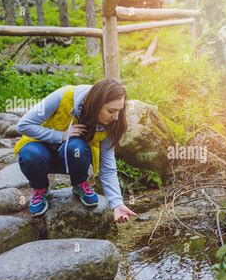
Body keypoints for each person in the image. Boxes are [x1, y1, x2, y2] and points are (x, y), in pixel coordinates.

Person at [14, 78, 137, 223]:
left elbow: (107, 166)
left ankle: (79, 184)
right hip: (41, 153)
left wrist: (117, 203)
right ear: (96, 104)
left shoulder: (111, 124)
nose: (116, 117)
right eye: (111, 111)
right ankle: (40, 189)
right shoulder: (63, 96)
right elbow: (23, 125)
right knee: (29, 154)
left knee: (77, 148)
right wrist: (61, 135)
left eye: (119, 110)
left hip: (72, 158)